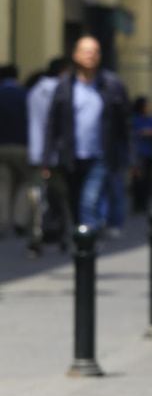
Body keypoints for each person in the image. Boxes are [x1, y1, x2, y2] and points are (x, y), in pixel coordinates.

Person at [43, 36, 130, 234]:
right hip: (71, 157)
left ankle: (89, 239)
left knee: (89, 200)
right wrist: (47, 159)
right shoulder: (65, 85)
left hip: (100, 155)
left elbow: (125, 123)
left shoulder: (111, 85)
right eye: (86, 51)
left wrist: (130, 156)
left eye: (95, 51)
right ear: (75, 55)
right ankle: (82, 237)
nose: (90, 55)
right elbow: (52, 124)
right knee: (74, 201)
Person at [26, 58, 70, 255]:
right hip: (56, 155)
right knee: (62, 198)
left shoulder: (34, 91)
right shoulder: (62, 90)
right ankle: (65, 236)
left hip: (36, 153)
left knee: (37, 199)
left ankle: (35, 239)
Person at [0, 64, 29, 237]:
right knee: (26, 181)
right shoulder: (24, 95)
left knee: (2, 185)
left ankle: (2, 221)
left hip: (1, 146)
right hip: (22, 146)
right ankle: (20, 219)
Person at [130, 96, 152, 213]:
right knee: (138, 181)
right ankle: (137, 204)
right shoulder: (135, 118)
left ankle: (144, 204)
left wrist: (148, 132)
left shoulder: (151, 119)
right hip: (138, 154)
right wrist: (146, 132)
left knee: (148, 180)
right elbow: (136, 133)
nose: (149, 107)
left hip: (149, 154)